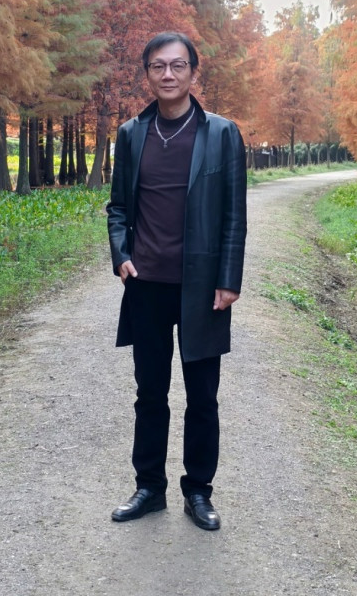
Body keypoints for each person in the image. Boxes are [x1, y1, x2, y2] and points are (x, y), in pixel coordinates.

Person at [106, 32, 247, 531]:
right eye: (158, 66)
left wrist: (229, 280)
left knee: (202, 397)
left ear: (192, 72)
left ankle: (199, 491)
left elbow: (234, 215)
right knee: (150, 393)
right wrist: (121, 255)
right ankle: (149, 488)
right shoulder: (131, 134)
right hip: (146, 285)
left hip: (203, 289)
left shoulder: (221, 133)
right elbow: (118, 208)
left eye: (178, 65)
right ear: (147, 73)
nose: (168, 74)